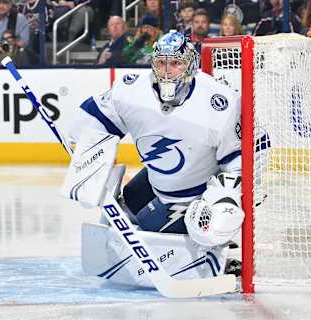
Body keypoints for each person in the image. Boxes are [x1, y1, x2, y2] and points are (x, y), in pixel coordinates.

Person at [70, 31, 244, 259]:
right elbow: (94, 119)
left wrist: (222, 200)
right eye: (161, 63)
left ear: (191, 66)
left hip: (196, 195)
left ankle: (226, 253)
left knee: (201, 226)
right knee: (121, 217)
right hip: (155, 181)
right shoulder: (132, 90)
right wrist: (90, 160)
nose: (167, 71)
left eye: (175, 63)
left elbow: (239, 163)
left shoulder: (219, 103)